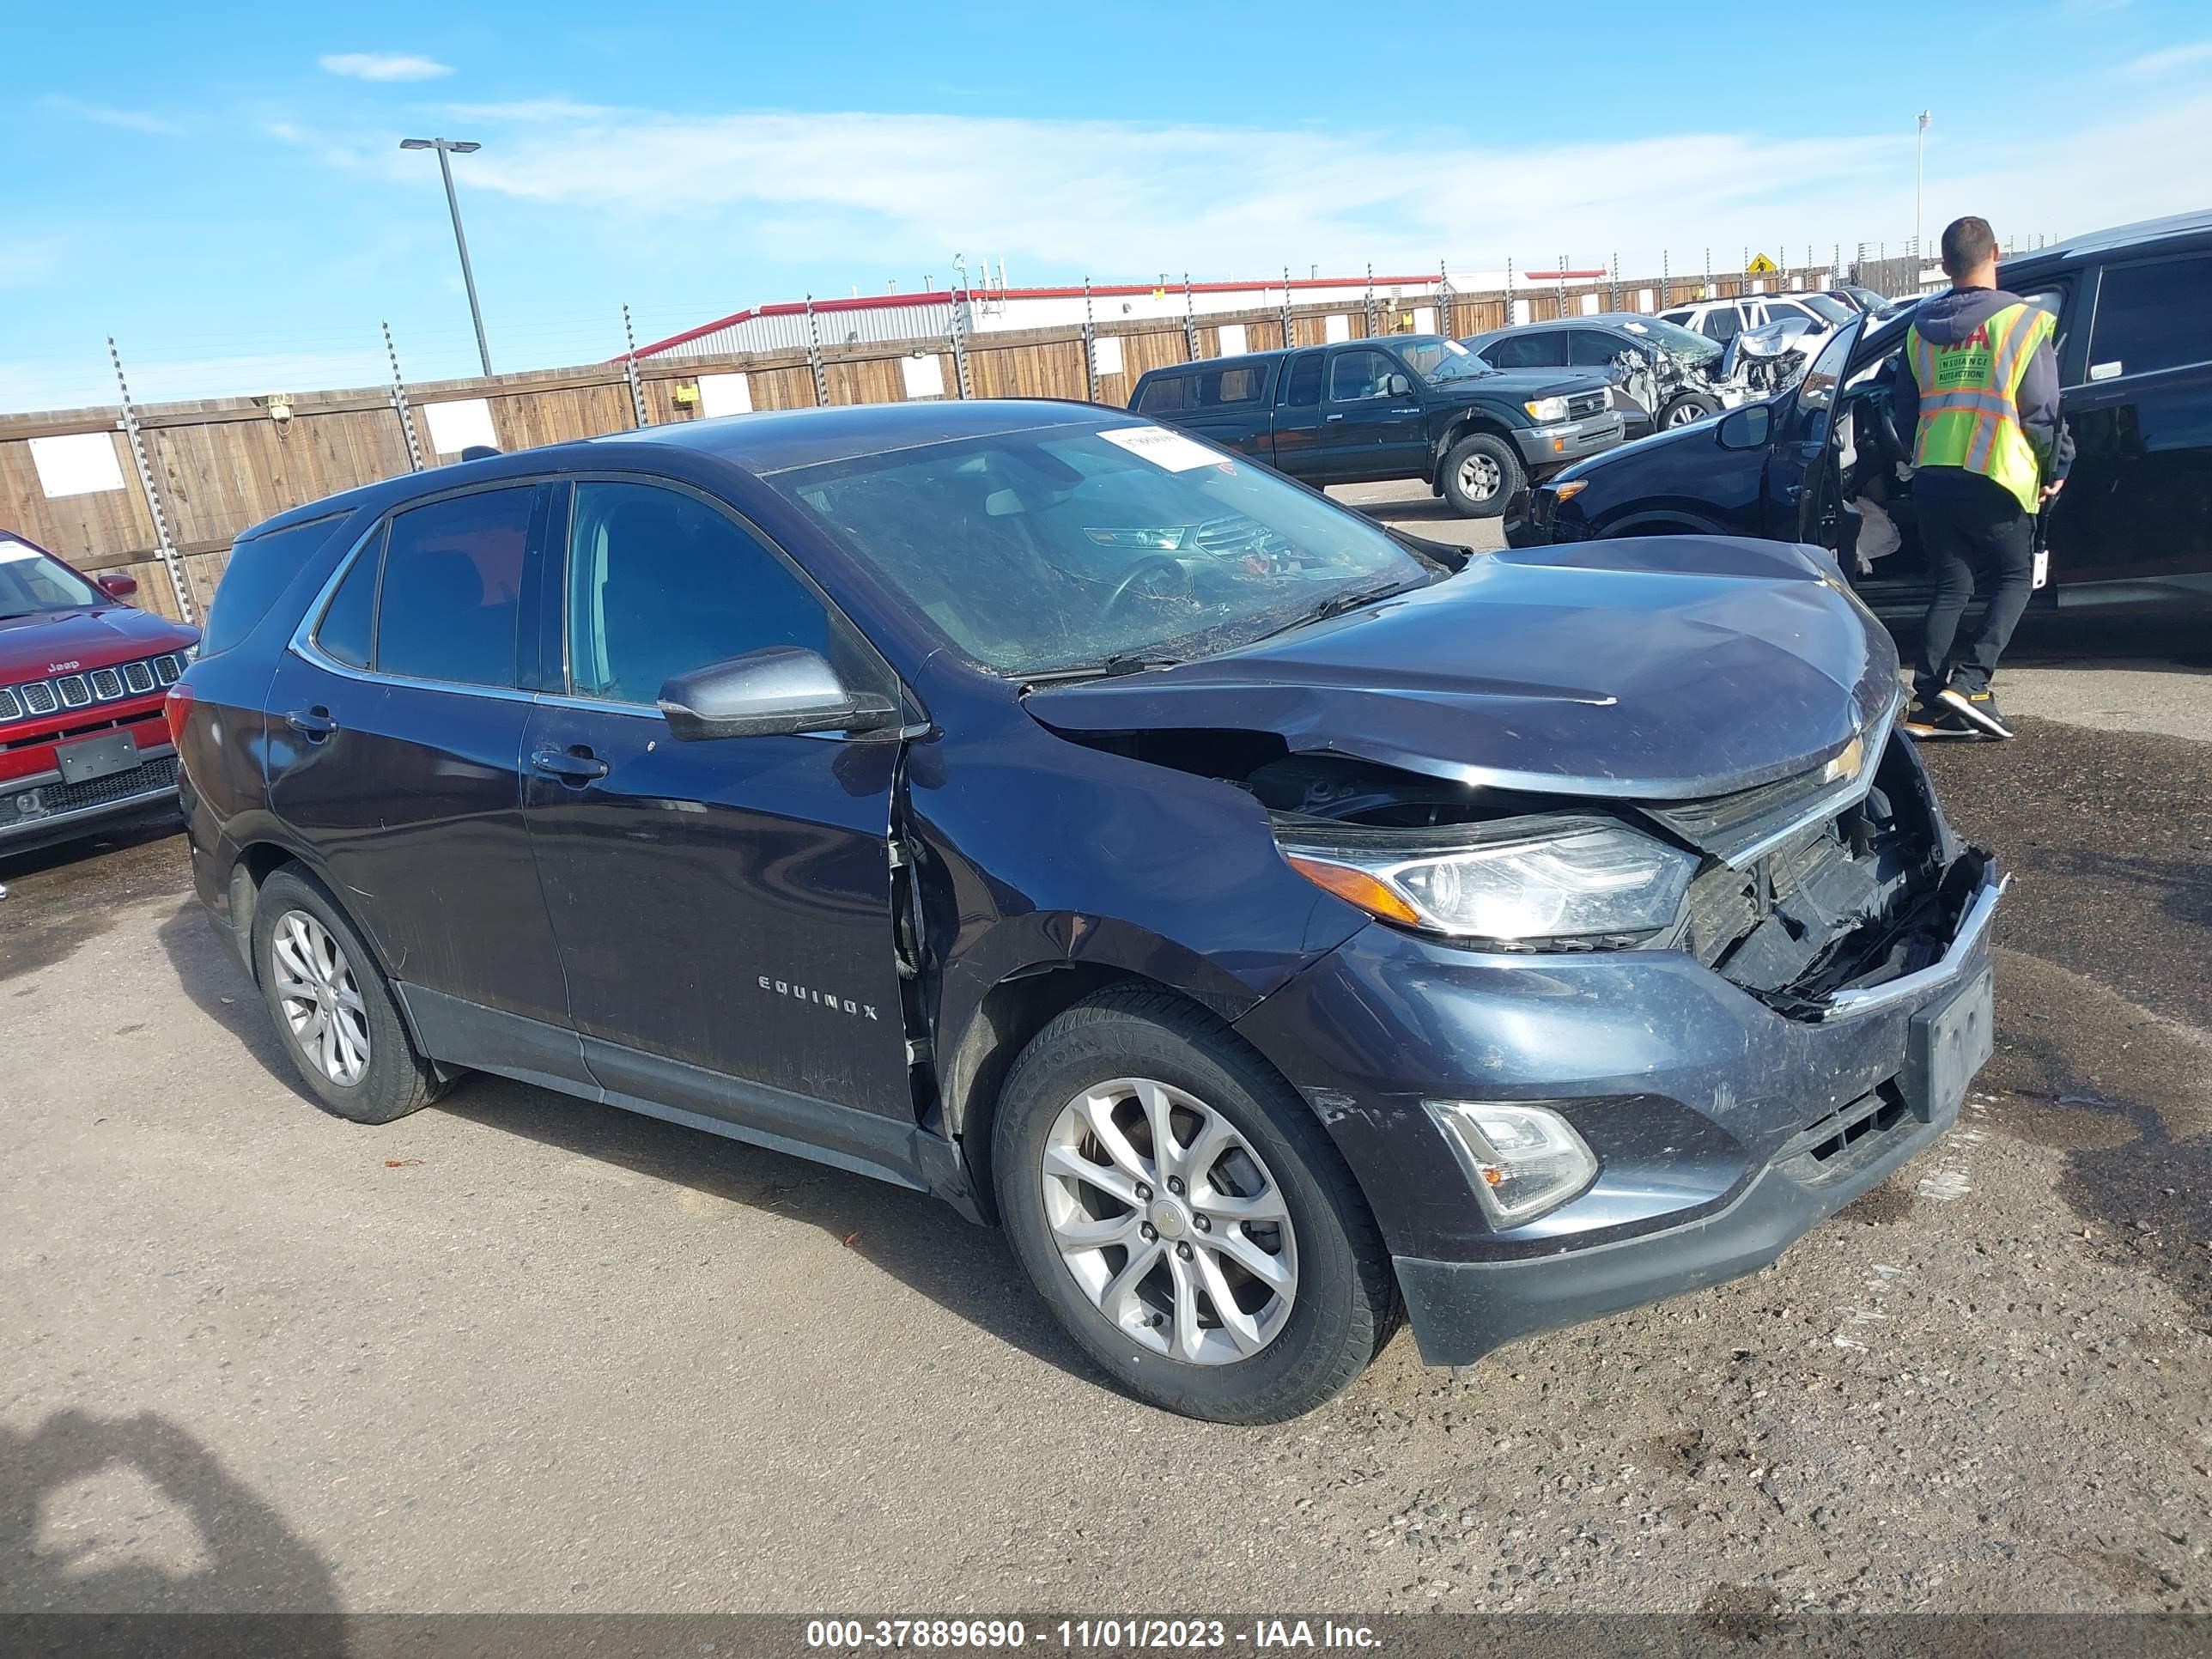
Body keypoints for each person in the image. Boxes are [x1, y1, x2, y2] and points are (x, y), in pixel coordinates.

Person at [1897, 216, 2072, 741]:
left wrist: (1925, 453)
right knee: (2017, 578)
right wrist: (2056, 466)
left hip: (1933, 476)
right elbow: (2042, 409)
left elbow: (1904, 409)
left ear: (1945, 265)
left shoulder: (1917, 330)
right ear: (1996, 252)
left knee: (1952, 584)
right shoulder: (2019, 323)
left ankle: (1927, 701)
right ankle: (1972, 683)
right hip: (1996, 475)